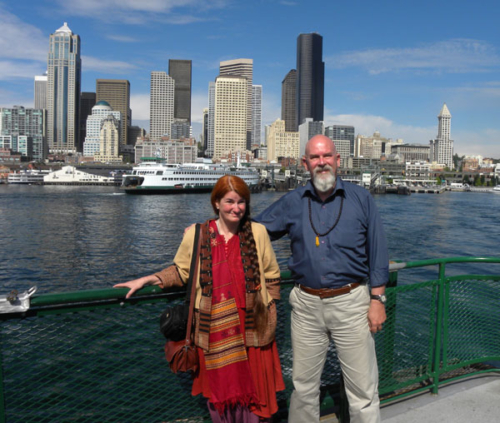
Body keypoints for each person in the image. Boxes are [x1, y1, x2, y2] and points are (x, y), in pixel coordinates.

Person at [114, 175, 285, 423]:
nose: (236, 208)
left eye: (241, 202)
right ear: (216, 203)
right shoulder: (197, 234)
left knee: (256, 397)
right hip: (213, 332)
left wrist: (269, 308)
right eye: (229, 201)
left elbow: (272, 274)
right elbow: (181, 271)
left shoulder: (257, 232)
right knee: (220, 398)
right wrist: (146, 280)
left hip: (253, 331)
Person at [254, 135, 389, 423]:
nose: (322, 162)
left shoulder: (361, 199)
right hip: (305, 306)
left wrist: (377, 299)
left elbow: (377, 252)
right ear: (305, 164)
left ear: (338, 160)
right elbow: (255, 230)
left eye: (327, 156)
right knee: (303, 388)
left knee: (363, 391)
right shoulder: (292, 202)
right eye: (315, 158)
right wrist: (213, 227)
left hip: (352, 303)